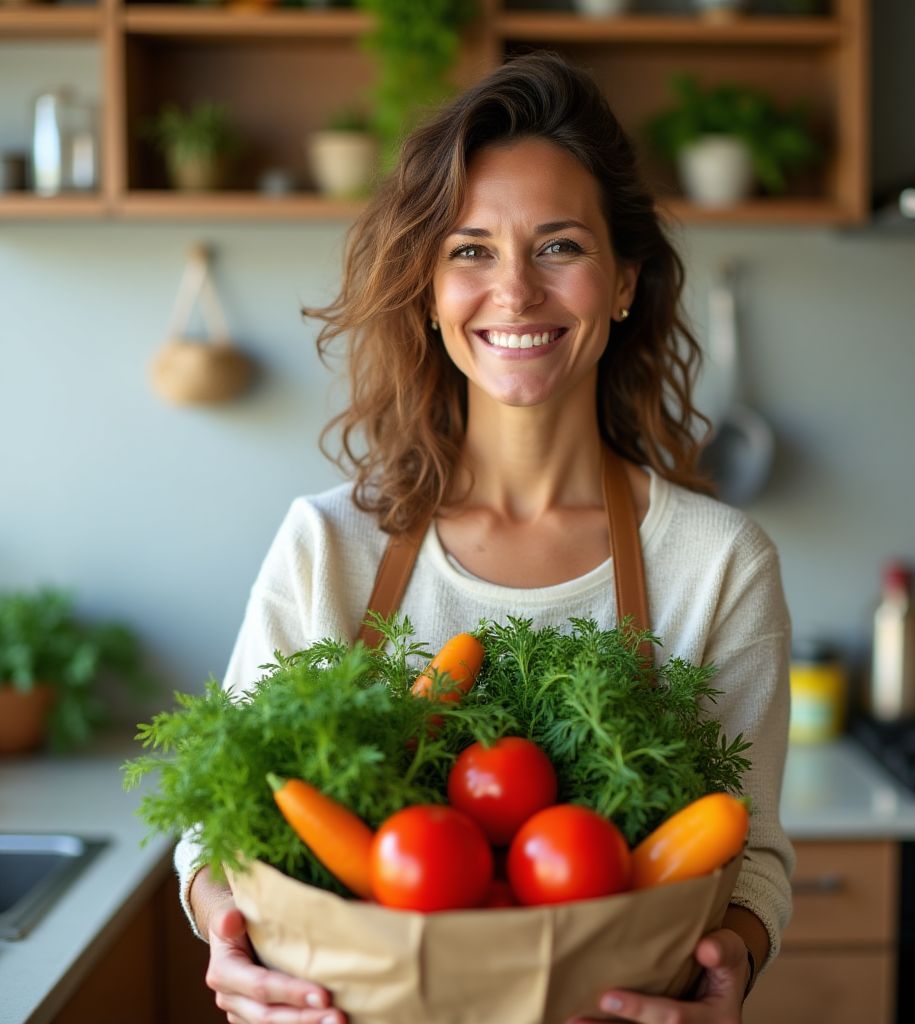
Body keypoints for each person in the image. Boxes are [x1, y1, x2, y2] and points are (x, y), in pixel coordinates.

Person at [177, 50, 794, 1024]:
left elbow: (749, 852)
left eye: (559, 246)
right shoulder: (328, 545)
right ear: (427, 291)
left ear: (623, 281)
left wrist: (735, 967)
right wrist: (228, 939)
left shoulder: (717, 563)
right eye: (470, 251)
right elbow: (221, 824)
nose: (515, 292)